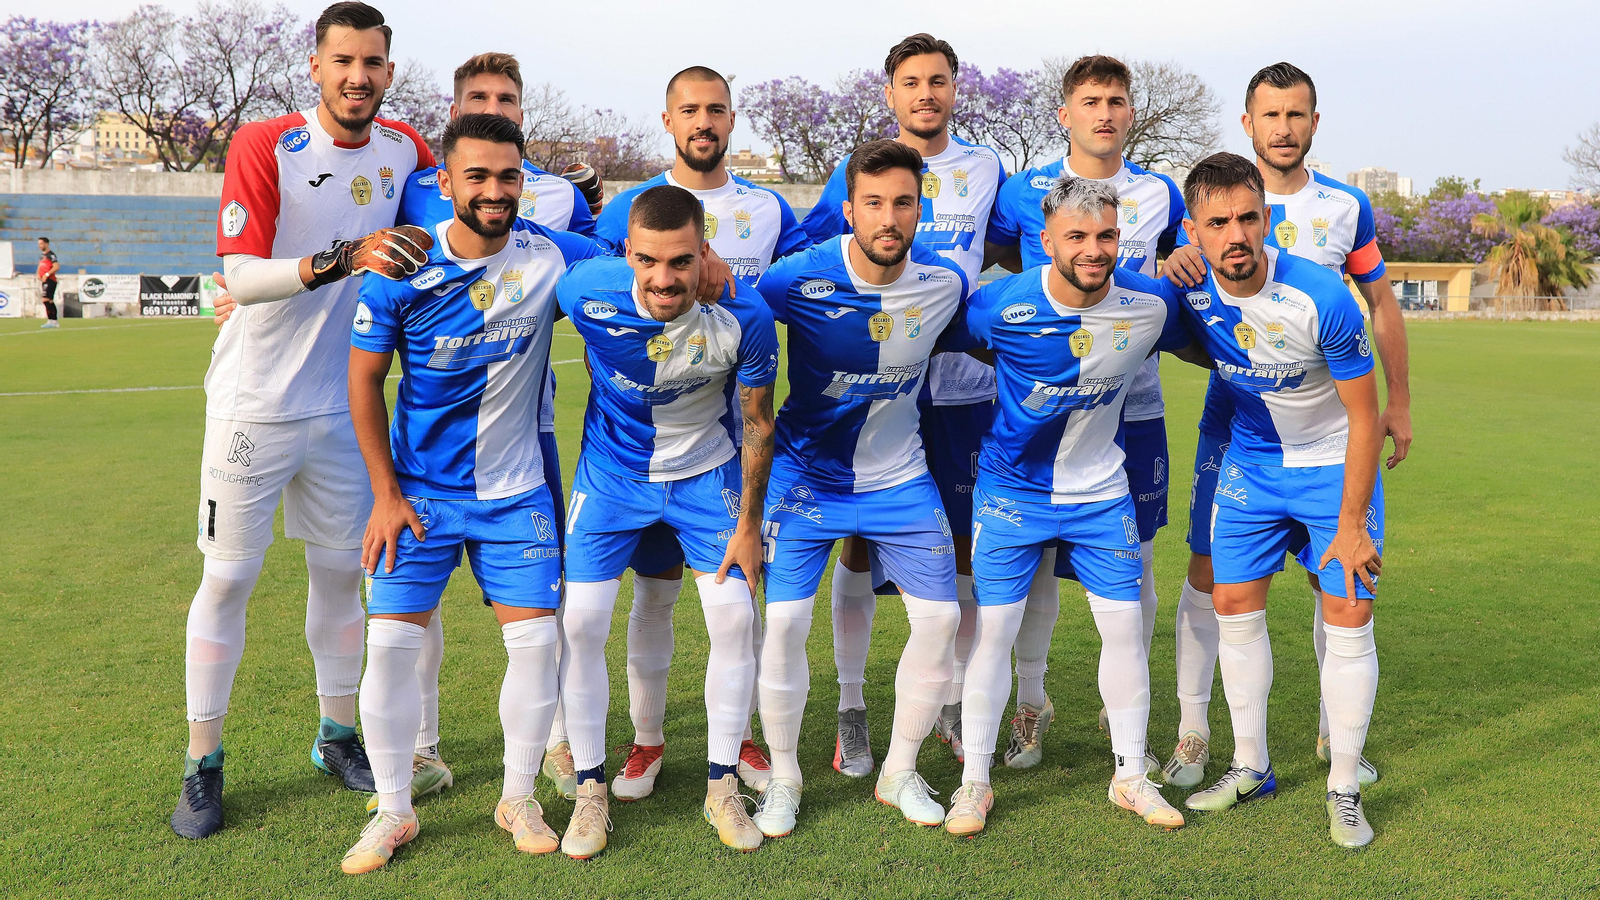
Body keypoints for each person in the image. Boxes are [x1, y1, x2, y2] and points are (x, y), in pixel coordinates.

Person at [171, 1, 435, 841]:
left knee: (337, 579)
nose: (358, 77)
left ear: (390, 72)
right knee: (229, 579)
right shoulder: (266, 143)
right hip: (256, 403)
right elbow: (240, 278)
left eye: (373, 63)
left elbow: (455, 214)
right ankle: (204, 762)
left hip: (347, 411)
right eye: (343, 61)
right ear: (315, 67)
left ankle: (336, 737)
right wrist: (344, 258)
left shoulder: (406, 151)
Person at [341, 113, 596, 874]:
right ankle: (394, 809)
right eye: (477, 177)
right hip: (418, 495)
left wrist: (708, 260)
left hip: (516, 494)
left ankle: (517, 794)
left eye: (508, 177)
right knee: (388, 645)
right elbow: (362, 381)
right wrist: (385, 494)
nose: (493, 191)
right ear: (445, 183)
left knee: (539, 643)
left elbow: (637, 259)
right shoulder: (402, 269)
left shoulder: (550, 257)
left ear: (526, 183)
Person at [1158, 62, 1411, 791]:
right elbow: (1187, 308)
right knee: (1212, 573)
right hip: (1236, 419)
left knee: (1333, 579)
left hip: (1329, 411)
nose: (1284, 127)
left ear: (1314, 123)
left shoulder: (1346, 207)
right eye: (1270, 115)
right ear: (1248, 123)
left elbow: (1382, 305)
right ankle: (1199, 733)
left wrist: (1399, 402)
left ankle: (1340, 737)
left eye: (1296, 115)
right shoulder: (1212, 195)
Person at [943, 176, 1196, 837]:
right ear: (1046, 241)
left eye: (1107, 235)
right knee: (992, 635)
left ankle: (1130, 777)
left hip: (1101, 494)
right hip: (1011, 497)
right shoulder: (998, 305)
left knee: (1125, 631)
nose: (1094, 249)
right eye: (1077, 237)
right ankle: (974, 783)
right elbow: (955, 343)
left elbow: (1202, 335)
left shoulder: (1151, 303)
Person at [591, 65, 807, 800]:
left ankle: (737, 741)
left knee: (733, 605)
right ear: (669, 118)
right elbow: (589, 276)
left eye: (716, 108)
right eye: (691, 109)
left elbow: (804, 282)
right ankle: (645, 743)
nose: (704, 121)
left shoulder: (770, 208)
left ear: (732, 118)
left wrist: (736, 289)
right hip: (628, 447)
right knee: (651, 597)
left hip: (717, 448)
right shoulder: (630, 208)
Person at [798, 32, 1005, 776]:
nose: (926, 93)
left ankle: (945, 698)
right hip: (878, 391)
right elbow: (815, 255)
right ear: (889, 92)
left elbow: (1019, 249)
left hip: (966, 391)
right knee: (857, 543)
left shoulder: (986, 168)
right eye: (912, 82)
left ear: (957, 89)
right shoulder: (857, 174)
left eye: (939, 81)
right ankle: (852, 709)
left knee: (962, 552)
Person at [555, 185, 780, 857]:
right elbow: (530, 247)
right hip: (611, 478)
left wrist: (747, 525)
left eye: (681, 261)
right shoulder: (586, 287)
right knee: (581, 621)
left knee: (735, 617)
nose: (663, 278)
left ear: (704, 252)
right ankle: (591, 791)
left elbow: (758, 422)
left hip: (706, 477)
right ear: (627, 253)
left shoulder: (746, 315)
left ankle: (721, 785)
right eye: (649, 260)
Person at [751, 140, 967, 838]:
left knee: (939, 621)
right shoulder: (796, 280)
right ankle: (784, 777)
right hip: (805, 478)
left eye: (903, 202)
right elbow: (736, 317)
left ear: (919, 210)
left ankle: (898, 771)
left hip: (900, 480)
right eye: (873, 203)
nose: (889, 217)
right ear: (849, 210)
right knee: (782, 623)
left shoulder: (943, 286)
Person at [1173, 152, 1385, 850]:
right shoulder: (1188, 291)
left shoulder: (1322, 297)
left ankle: (1345, 787)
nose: (1235, 234)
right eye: (1217, 222)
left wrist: (1352, 524)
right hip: (1253, 469)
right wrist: (1160, 272)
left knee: (1348, 613)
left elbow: (1365, 416)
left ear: (1267, 220)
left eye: (1247, 218)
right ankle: (1250, 766)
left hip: (1331, 469)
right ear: (1193, 230)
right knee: (1234, 608)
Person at [986, 55, 1184, 772]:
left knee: (1138, 563)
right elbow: (1011, 275)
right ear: (1064, 112)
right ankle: (1031, 704)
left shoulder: (1161, 193)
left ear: (1133, 113)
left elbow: (1182, 267)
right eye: (1091, 100)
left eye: (1118, 100)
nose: (1105, 112)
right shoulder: (1021, 192)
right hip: (1045, 407)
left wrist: (1184, 260)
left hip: (1136, 408)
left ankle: (1121, 709)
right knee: (1036, 559)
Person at [37, 237, 59, 328]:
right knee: (49, 300)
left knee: (45, 299)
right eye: (39, 244)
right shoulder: (42, 256)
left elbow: (56, 267)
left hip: (50, 280)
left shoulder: (51, 255)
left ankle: (52, 320)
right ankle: (52, 321)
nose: (40, 246)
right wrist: (38, 274)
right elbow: (40, 266)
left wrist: (47, 274)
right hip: (44, 280)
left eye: (41, 243)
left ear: (46, 244)